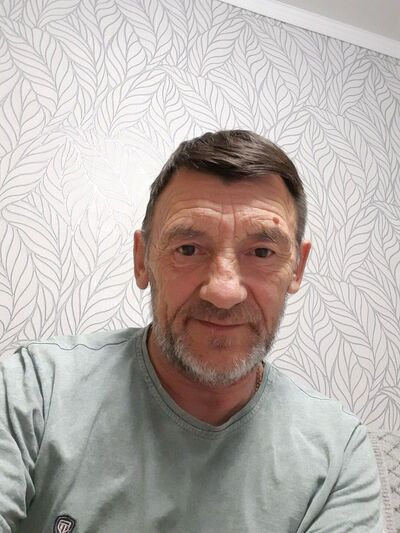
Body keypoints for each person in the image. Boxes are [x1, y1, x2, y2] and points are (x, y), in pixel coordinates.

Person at [1, 130, 382, 532]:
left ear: (297, 269)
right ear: (142, 260)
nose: (223, 292)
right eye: (188, 249)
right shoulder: (36, 391)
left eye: (262, 252)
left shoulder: (338, 455)